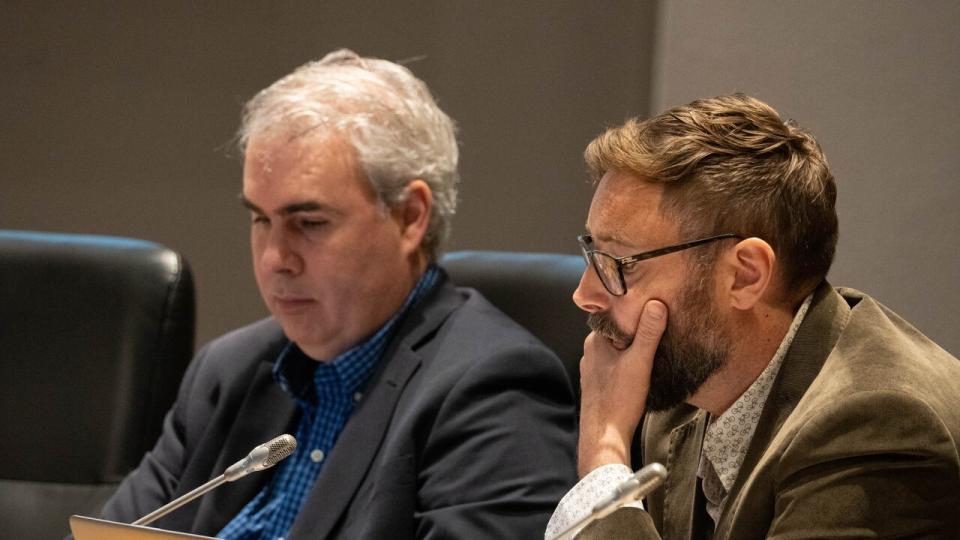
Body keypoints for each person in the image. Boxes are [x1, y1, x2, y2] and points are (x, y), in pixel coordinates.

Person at [94, 49, 577, 539]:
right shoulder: (228, 372)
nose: (273, 258)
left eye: (309, 223)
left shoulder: (491, 390)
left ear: (410, 216)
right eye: (261, 219)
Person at [545, 94, 960, 539]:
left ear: (744, 275)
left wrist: (604, 453)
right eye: (592, 252)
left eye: (620, 263)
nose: (584, 294)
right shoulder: (684, 395)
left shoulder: (875, 427)